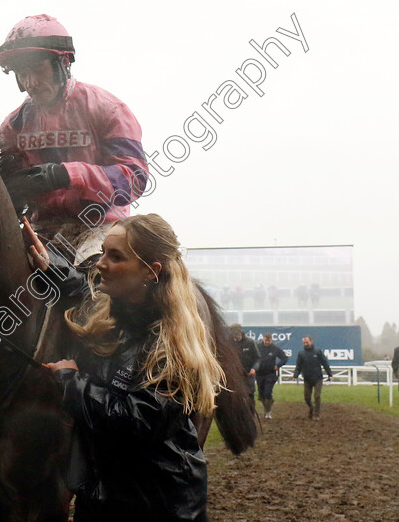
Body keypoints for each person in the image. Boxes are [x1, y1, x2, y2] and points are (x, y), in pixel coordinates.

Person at [43, 213, 224, 521]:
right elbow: (83, 291)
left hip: (160, 508)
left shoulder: (173, 344)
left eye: (115, 257)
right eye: (102, 252)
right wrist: (50, 265)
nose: (100, 263)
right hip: (105, 502)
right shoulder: (118, 319)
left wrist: (71, 381)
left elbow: (136, 421)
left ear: (150, 272)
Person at [0, 14, 149, 263]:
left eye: (37, 70)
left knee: (96, 281)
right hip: (43, 230)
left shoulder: (107, 109)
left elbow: (136, 179)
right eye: (22, 74)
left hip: (100, 227)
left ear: (63, 63)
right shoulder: (13, 126)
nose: (30, 82)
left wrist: (67, 175)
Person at [291, 336, 333, 420]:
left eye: (307, 342)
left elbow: (325, 363)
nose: (306, 344)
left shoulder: (318, 352)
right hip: (307, 378)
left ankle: (316, 414)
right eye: (304, 343)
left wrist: (330, 374)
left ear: (311, 342)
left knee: (317, 396)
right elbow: (298, 366)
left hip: (317, 378)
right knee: (307, 398)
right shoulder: (301, 353)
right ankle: (312, 408)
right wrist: (295, 375)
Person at [255, 333, 288, 419]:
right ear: (263, 339)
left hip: (270, 373)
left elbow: (284, 358)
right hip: (259, 373)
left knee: (268, 392)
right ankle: (268, 404)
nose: (267, 342)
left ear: (271, 340)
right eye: (266, 340)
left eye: (269, 340)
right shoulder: (257, 347)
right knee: (261, 395)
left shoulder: (275, 349)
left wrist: (278, 365)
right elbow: (252, 357)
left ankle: (268, 412)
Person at [230, 324, 259, 402]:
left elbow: (257, 358)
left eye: (238, 334)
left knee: (250, 394)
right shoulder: (229, 343)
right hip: (234, 374)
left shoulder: (250, 342)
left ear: (241, 332)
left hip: (248, 373)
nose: (236, 336)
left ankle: (251, 412)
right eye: (234, 334)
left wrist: (254, 368)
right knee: (235, 396)